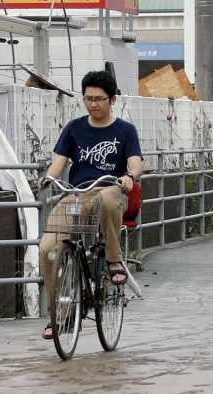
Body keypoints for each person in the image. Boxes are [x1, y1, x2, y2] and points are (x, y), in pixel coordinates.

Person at [38, 70, 143, 340]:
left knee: (108, 198)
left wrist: (129, 177)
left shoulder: (125, 130)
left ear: (112, 100)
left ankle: (113, 259)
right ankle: (60, 315)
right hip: (77, 194)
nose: (93, 104)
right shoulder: (74, 128)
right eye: (88, 98)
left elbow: (135, 163)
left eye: (99, 98)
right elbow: (59, 163)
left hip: (111, 189)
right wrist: (49, 178)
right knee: (48, 248)